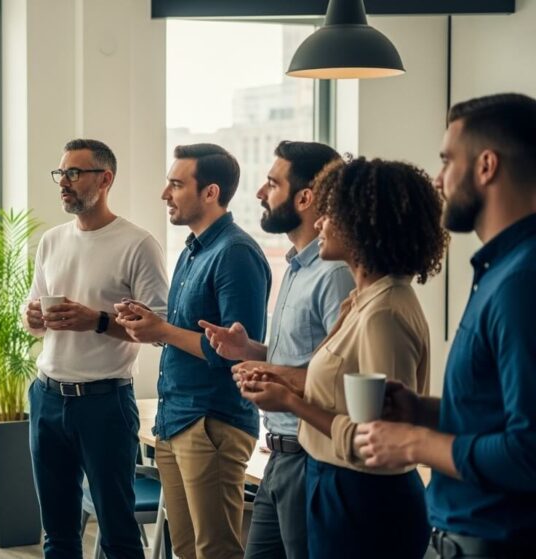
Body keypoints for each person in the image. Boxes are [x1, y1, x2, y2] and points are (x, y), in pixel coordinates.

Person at [236, 157, 447, 559]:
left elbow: (377, 441)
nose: (319, 223)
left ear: (363, 225)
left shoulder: (384, 312)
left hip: (364, 497)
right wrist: (281, 381)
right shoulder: (363, 300)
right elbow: (345, 393)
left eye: (330, 214)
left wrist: (290, 403)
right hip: (336, 483)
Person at [354, 93, 536, 558]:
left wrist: (414, 442)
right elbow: (493, 416)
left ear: (486, 166)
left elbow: (528, 450)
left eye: (446, 160)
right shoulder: (501, 270)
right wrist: (421, 411)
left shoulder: (522, 280)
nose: (438, 179)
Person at [117, 143, 270, 559]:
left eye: (176, 184)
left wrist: (161, 328)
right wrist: (148, 322)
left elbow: (236, 351)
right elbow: (183, 332)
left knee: (215, 551)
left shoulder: (236, 254)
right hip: (176, 419)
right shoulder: (191, 249)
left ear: (210, 193)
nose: (165, 194)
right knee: (184, 550)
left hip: (212, 423)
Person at [200, 141, 352, 559]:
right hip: (280, 455)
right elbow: (310, 359)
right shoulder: (297, 266)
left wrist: (274, 378)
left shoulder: (334, 274)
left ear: (305, 198)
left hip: (311, 457)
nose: (260, 194)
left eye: (272, 183)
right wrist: (251, 349)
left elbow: (341, 380)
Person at [23, 138, 168, 559]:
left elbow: (159, 330)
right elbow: (33, 309)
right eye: (61, 173)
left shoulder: (138, 245)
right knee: (57, 535)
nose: (63, 182)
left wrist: (98, 321)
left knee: (118, 533)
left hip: (104, 404)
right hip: (47, 398)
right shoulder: (52, 240)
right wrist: (31, 318)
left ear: (105, 180)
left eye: (74, 173)